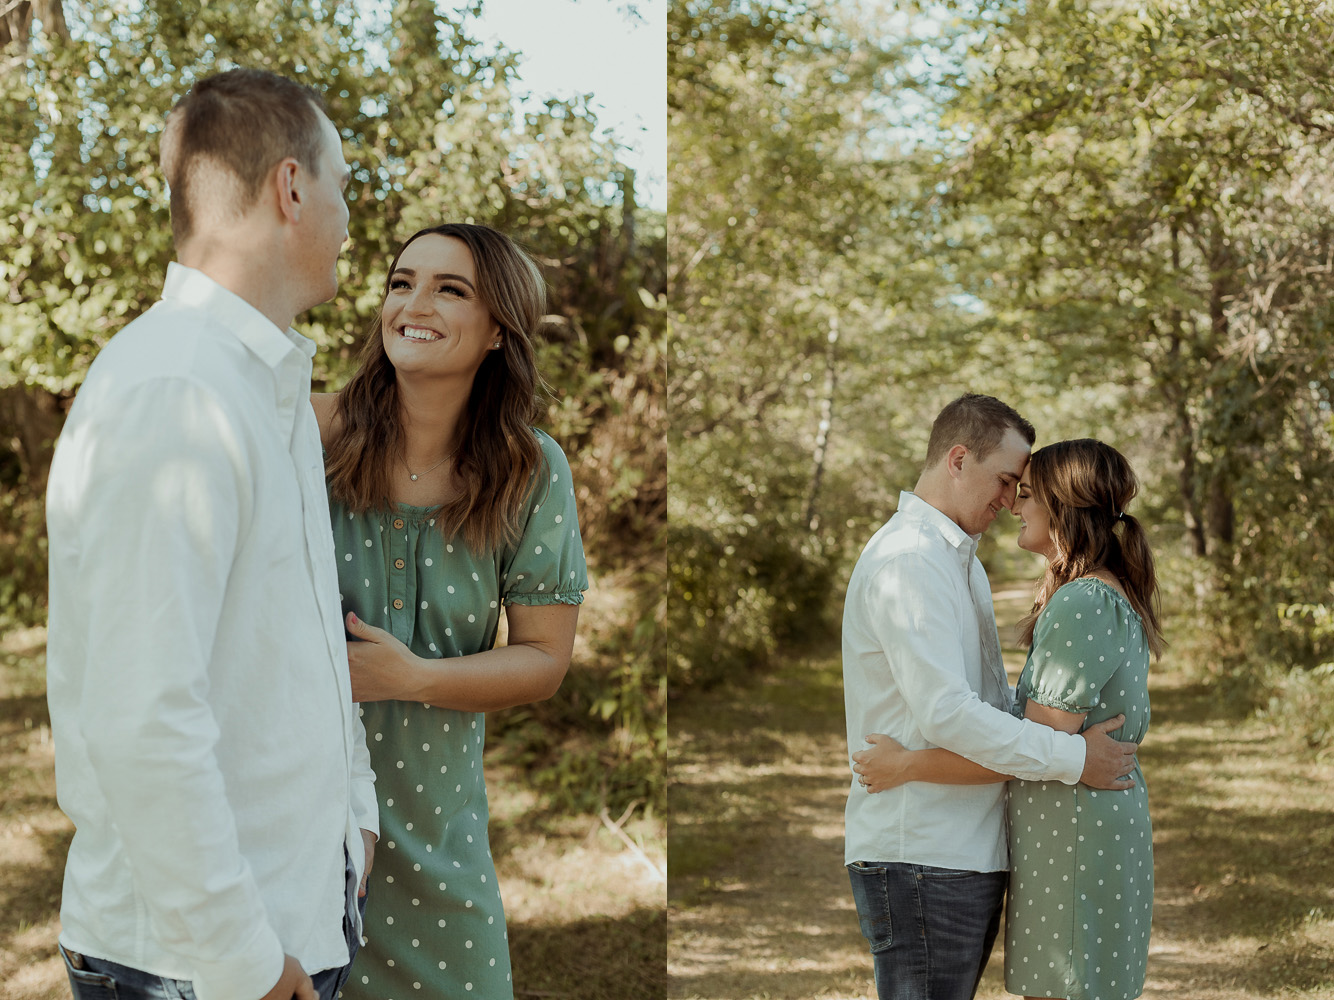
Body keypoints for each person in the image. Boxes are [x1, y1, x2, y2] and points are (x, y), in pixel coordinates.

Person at [45, 68, 377, 1000]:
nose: (350, 217)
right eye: (342, 184)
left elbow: (301, 642)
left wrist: (355, 818)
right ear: (290, 188)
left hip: (293, 922)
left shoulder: (265, 385)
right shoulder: (177, 390)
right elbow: (142, 716)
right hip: (198, 967)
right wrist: (244, 963)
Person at [311, 222, 588, 998]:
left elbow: (544, 660)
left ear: (499, 329)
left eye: (450, 289)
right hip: (305, 830)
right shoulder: (309, 432)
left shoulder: (531, 469)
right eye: (402, 283)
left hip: (442, 839)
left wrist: (413, 677)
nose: (414, 304)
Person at [842, 394, 1138, 1000]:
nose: (1010, 501)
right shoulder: (910, 561)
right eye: (1005, 481)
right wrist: (1075, 758)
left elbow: (995, 705)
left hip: (963, 849)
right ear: (958, 460)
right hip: (923, 850)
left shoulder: (958, 561)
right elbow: (948, 714)